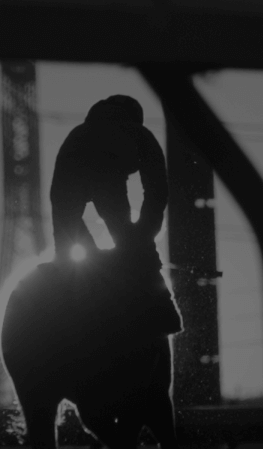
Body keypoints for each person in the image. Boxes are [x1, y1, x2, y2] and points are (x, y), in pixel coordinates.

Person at [49, 95, 182, 337]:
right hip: (96, 179)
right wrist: (143, 238)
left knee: (68, 257)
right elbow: (157, 193)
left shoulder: (77, 135)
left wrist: (83, 254)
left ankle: (62, 314)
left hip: (71, 181)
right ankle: (161, 311)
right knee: (134, 247)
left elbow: (62, 210)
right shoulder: (141, 136)